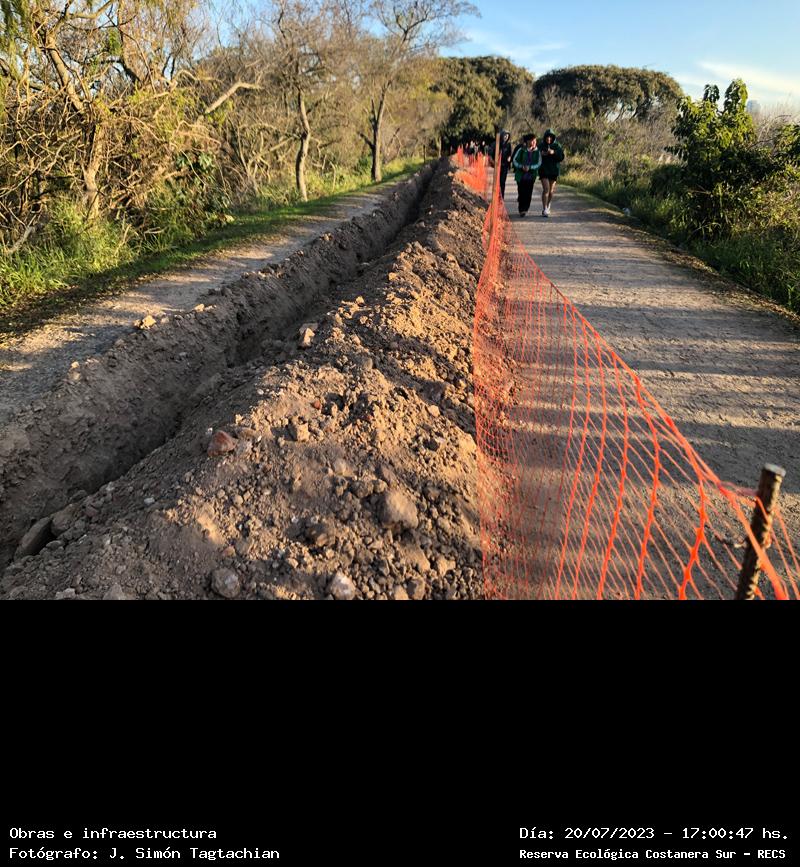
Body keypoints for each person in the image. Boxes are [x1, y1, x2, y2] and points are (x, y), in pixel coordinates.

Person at [513, 133, 540, 218]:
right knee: (521, 193)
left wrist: (530, 168)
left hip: (531, 176)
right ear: (528, 141)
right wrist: (521, 166)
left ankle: (525, 209)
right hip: (521, 176)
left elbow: (539, 163)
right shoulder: (521, 150)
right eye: (532, 141)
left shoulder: (537, 151)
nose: (534, 142)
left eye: (535, 141)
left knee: (528, 193)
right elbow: (515, 160)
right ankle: (521, 209)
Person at [538, 128, 565, 217]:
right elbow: (535, 155)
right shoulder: (541, 145)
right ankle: (544, 209)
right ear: (545, 137)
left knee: (551, 191)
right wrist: (541, 154)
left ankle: (548, 205)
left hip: (554, 171)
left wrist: (554, 152)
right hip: (543, 170)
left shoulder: (557, 146)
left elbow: (561, 157)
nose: (548, 139)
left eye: (550, 137)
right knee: (546, 189)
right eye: (547, 137)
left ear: (553, 138)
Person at [497, 130, 513, 200]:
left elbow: (510, 154)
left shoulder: (509, 145)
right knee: (498, 182)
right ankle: (497, 195)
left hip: (505, 165)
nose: (506, 137)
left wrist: (509, 157)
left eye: (507, 136)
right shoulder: (498, 144)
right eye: (505, 135)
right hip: (498, 165)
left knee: (502, 181)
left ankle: (501, 197)